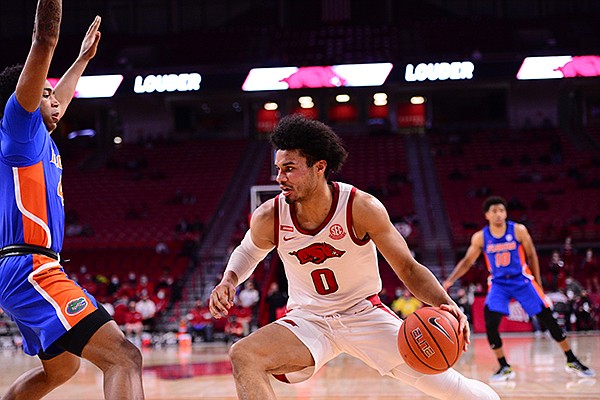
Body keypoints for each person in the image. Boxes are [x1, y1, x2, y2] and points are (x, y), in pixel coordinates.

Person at [209, 114, 499, 400]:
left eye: (289, 168)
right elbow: (248, 250)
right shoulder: (270, 216)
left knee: (454, 390)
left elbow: (408, 269)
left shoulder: (361, 207)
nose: (279, 178)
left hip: (364, 315)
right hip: (309, 319)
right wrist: (229, 280)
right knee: (244, 354)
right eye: (278, 169)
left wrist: (445, 304)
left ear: (319, 167)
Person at [0, 3, 144, 399]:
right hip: (31, 267)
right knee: (123, 356)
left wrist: (81, 60)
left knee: (62, 368)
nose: (56, 99)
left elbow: (58, 98)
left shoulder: (39, 138)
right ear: (25, 100)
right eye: (44, 93)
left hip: (25, 268)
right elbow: (44, 40)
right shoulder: (18, 130)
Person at [443, 196, 595, 382]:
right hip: (499, 284)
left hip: (522, 280)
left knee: (548, 320)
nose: (498, 214)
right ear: (487, 215)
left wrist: (537, 283)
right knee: (490, 323)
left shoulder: (518, 230)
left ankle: (572, 360)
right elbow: (467, 261)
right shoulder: (481, 237)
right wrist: (450, 280)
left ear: (505, 213)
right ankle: (504, 366)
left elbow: (532, 255)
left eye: (501, 210)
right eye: (494, 211)